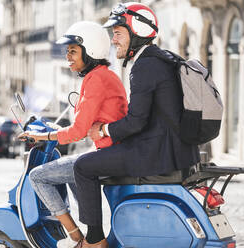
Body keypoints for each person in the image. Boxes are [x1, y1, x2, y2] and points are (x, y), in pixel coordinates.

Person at [73, 2, 200, 247]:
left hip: (155, 154)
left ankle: (95, 240)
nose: (113, 40)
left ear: (137, 32)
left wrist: (102, 130)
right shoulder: (163, 59)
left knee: (83, 166)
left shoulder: (144, 66)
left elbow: (136, 121)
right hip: (175, 151)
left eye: (118, 33)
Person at [18, 21, 128, 247]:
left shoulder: (97, 79)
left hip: (109, 154)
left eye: (73, 51)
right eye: (67, 51)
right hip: (111, 150)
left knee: (37, 176)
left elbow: (78, 131)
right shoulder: (102, 75)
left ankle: (79, 237)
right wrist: (58, 131)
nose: (68, 56)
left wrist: (41, 137)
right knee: (70, 167)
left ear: (90, 51)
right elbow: (85, 125)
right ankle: (90, 232)